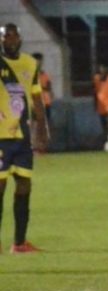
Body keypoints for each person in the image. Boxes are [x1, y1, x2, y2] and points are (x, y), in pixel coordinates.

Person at [0, 23, 50, 253]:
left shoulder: (30, 63)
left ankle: (19, 243)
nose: (10, 39)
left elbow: (37, 98)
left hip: (22, 137)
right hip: (0, 136)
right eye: (6, 36)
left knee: (24, 185)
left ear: (19, 38)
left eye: (13, 35)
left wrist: (42, 130)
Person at [32, 52, 53, 123]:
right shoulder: (29, 75)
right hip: (34, 104)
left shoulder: (45, 75)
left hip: (46, 102)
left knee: (46, 123)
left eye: (40, 62)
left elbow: (49, 87)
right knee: (35, 124)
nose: (39, 64)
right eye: (37, 62)